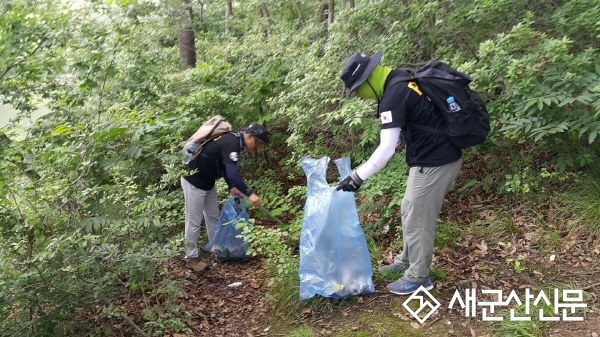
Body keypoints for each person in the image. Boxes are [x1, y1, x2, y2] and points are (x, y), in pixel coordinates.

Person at [336, 51, 462, 295]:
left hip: (435, 162)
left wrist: (356, 177)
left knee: (417, 218)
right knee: (409, 208)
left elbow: (386, 149)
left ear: (369, 78)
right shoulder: (402, 78)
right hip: (437, 157)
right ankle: (405, 261)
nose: (360, 95)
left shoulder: (392, 96)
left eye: (359, 89)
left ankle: (418, 277)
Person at [181, 122, 269, 271]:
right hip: (193, 182)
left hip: (207, 182)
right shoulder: (231, 142)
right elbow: (232, 173)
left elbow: (223, 166)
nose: (258, 147)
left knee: (214, 217)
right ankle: (191, 258)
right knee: (194, 222)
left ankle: (218, 250)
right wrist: (250, 193)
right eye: (259, 143)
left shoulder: (233, 142)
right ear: (249, 135)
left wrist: (231, 186)